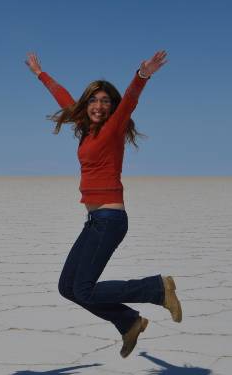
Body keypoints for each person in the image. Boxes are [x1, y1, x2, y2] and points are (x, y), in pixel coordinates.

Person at [25, 50, 182, 358]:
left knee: (84, 289)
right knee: (68, 288)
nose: (98, 106)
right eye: (93, 100)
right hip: (96, 221)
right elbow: (64, 99)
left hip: (110, 219)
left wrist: (142, 75)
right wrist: (39, 74)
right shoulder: (86, 129)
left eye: (105, 101)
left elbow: (131, 100)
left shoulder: (113, 129)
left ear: (112, 108)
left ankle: (156, 288)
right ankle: (129, 322)